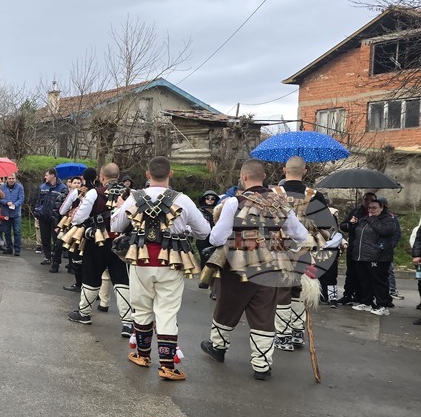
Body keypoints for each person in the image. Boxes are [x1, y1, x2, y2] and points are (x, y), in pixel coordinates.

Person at [199, 159, 308, 381]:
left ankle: (218, 347)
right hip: (271, 266)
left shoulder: (233, 203)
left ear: (244, 176)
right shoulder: (281, 203)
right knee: (263, 312)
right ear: (265, 177)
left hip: (238, 265)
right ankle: (262, 365)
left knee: (228, 305)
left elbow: (216, 237)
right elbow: (301, 235)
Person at [111, 156, 209, 381]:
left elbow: (115, 225)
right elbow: (204, 232)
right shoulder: (183, 200)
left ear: (147, 175)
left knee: (142, 308)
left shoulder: (135, 197)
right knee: (166, 311)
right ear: (170, 174)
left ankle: (142, 355)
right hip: (172, 262)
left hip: (140, 260)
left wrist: (119, 208)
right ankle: (167, 365)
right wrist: (182, 229)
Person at [271, 156, 340, 350]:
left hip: (280, 251)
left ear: (284, 170)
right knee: (298, 289)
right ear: (306, 171)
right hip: (304, 251)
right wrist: (311, 240)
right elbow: (327, 228)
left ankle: (283, 336)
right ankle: (297, 331)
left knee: (282, 291)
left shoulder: (273, 194)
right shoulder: (315, 196)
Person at [69, 163, 134, 336]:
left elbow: (78, 219)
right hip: (122, 244)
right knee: (122, 280)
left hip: (97, 242)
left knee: (91, 276)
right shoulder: (131, 195)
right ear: (118, 177)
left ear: (101, 177)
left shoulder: (94, 193)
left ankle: (84, 313)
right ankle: (128, 323)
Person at [349, 198, 398, 315]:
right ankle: (367, 302)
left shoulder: (388, 219)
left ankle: (383, 305)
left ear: (382, 208)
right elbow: (355, 232)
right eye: (369, 207)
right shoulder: (364, 219)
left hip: (378, 256)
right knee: (364, 280)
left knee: (379, 282)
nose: (371, 210)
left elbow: (385, 231)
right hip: (361, 255)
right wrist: (352, 224)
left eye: (374, 208)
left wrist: (373, 219)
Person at [336, 192, 376, 305]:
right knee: (351, 272)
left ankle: (364, 296)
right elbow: (343, 226)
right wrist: (350, 224)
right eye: (366, 200)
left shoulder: (376, 213)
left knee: (365, 274)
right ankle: (348, 294)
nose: (368, 202)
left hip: (368, 248)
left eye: (371, 200)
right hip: (354, 246)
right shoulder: (355, 212)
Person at [33, 168, 67, 267]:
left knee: (56, 239)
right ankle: (48, 257)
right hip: (44, 216)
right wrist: (37, 211)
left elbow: (64, 203)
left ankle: (56, 259)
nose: (45, 177)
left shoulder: (62, 188)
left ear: (53, 176)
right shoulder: (42, 187)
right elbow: (38, 200)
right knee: (45, 238)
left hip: (56, 218)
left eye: (47, 175)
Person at [0, 173, 24, 255]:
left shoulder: (20, 187)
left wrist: (14, 204)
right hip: (5, 212)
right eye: (9, 178)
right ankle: (9, 247)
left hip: (16, 213)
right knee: (7, 231)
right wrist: (6, 202)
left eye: (13, 178)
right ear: (6, 179)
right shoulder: (2, 187)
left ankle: (17, 249)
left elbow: (21, 198)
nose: (11, 180)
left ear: (15, 179)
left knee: (17, 231)